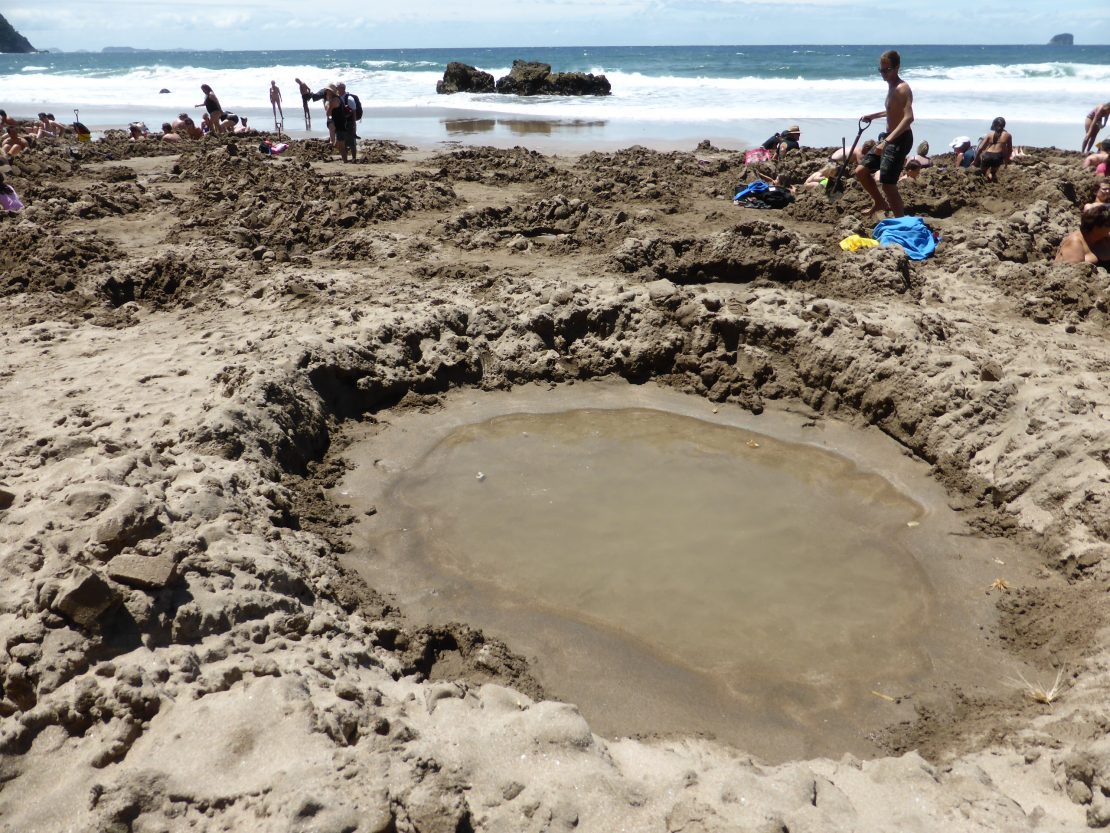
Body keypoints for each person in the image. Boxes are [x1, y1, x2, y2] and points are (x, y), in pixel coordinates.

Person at [855, 49, 914, 218]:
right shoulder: (891, 87)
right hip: (889, 138)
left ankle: (900, 220)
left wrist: (887, 142)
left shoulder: (903, 88)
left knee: (888, 184)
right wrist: (873, 116)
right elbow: (893, 110)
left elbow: (909, 118)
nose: (883, 74)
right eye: (881, 70)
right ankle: (880, 202)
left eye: (887, 70)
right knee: (861, 171)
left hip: (900, 139)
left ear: (897, 67)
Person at [974, 117, 1013, 183]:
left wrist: (975, 160)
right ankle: (993, 184)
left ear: (994, 125)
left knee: (983, 172)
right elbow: (1009, 149)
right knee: (993, 173)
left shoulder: (990, 134)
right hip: (997, 156)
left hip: (987, 155)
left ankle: (987, 184)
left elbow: (980, 148)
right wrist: (1007, 160)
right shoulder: (1008, 135)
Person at [334, 82, 359, 163]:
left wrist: (354, 124)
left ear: (342, 88)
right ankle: (345, 159)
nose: (336, 89)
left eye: (337, 87)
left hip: (349, 122)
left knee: (352, 141)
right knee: (342, 141)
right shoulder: (336, 98)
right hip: (340, 123)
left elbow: (354, 112)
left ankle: (354, 158)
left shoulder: (349, 98)